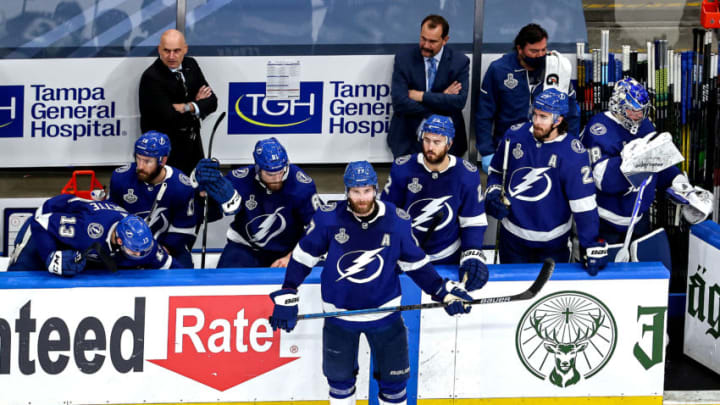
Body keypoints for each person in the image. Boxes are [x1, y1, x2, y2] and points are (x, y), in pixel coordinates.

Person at [268, 161, 473, 405]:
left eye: (366, 191)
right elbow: (303, 258)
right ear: (346, 192)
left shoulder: (397, 221)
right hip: (339, 317)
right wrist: (289, 290)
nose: (362, 198)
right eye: (355, 191)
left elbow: (415, 264)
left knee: (394, 388)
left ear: (375, 189)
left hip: (385, 315)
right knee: (340, 386)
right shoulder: (328, 219)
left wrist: (442, 291)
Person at [485, 88, 607, 275]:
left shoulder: (573, 154)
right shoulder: (514, 136)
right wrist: (493, 192)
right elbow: (495, 172)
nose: (536, 122)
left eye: (543, 117)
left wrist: (591, 244)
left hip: (553, 246)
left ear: (558, 120)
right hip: (513, 240)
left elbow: (584, 205)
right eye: (535, 114)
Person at [580, 77, 714, 245]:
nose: (638, 116)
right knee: (606, 269)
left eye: (642, 110)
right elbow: (603, 180)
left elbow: (658, 163)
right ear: (616, 105)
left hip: (639, 218)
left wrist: (681, 186)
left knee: (640, 269)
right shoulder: (598, 128)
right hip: (605, 221)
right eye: (632, 110)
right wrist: (628, 161)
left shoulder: (645, 125)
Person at [381, 114, 488, 290]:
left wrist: (472, 255)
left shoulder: (466, 174)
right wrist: (391, 250)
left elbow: (473, 220)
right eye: (427, 140)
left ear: (449, 143)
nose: (430, 147)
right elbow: (387, 215)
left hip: (448, 254)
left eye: (437, 142)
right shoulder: (403, 168)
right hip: (409, 255)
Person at [192, 137, 321, 268]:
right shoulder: (239, 179)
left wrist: (293, 256)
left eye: (281, 172)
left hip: (288, 250)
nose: (277, 179)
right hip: (245, 247)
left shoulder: (302, 185)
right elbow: (208, 215)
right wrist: (202, 194)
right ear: (258, 168)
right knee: (227, 280)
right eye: (270, 174)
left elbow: (319, 227)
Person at [475, 23, 580, 173]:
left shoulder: (556, 69)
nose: (540, 55)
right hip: (510, 147)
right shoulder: (499, 69)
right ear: (520, 49)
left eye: (543, 49)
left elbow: (571, 112)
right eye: (534, 51)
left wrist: (570, 144)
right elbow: (484, 114)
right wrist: (486, 152)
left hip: (548, 147)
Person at [7, 194, 177, 275]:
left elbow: (173, 268)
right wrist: (50, 257)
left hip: (77, 242)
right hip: (44, 227)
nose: (140, 256)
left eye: (143, 252)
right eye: (135, 252)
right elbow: (41, 222)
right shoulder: (88, 228)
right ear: (118, 240)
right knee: (18, 277)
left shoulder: (143, 244)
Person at [109, 131, 197, 268]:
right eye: (138, 159)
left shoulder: (181, 186)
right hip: (127, 248)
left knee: (183, 274)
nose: (140, 167)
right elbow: (110, 217)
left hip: (168, 250)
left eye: (147, 161)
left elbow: (184, 230)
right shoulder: (121, 178)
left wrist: (154, 255)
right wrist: (129, 249)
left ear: (163, 161)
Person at [388, 14, 469, 158]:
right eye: (423, 39)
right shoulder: (404, 58)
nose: (426, 45)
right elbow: (400, 102)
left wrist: (421, 96)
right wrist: (442, 98)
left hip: (448, 141)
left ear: (445, 40)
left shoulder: (459, 62)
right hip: (407, 138)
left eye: (432, 41)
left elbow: (458, 102)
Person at [139, 29, 217, 176]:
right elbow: (170, 119)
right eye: (166, 51)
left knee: (195, 189)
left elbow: (212, 102)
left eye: (176, 51)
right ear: (159, 50)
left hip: (193, 147)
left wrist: (187, 106)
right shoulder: (151, 77)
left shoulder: (191, 65)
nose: (171, 56)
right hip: (166, 151)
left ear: (185, 49)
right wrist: (197, 104)